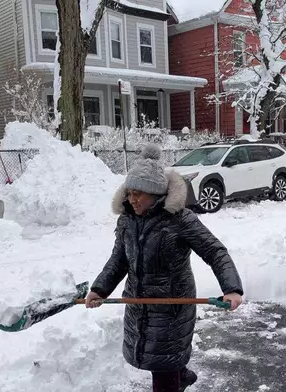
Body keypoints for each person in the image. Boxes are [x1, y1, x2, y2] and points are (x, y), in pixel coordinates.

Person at [86, 144, 244, 392]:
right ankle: (181, 376)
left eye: (139, 193)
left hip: (171, 307)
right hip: (139, 305)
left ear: (156, 193)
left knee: (163, 365)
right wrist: (100, 289)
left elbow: (215, 251)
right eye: (129, 193)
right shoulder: (127, 220)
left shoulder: (180, 220)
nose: (132, 199)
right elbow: (119, 259)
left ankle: (176, 377)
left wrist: (232, 288)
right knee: (156, 357)